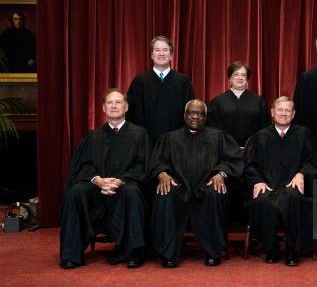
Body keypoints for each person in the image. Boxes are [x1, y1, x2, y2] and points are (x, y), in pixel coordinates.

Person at [59, 89, 152, 269]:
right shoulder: (93, 137)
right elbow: (82, 166)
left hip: (125, 185)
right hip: (96, 188)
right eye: (110, 103)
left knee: (133, 193)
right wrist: (98, 180)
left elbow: (143, 166)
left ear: (126, 107)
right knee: (75, 193)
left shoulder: (139, 134)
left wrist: (119, 181)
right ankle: (71, 254)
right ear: (103, 108)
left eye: (118, 102)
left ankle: (134, 251)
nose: (114, 106)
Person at [149, 99, 244, 268]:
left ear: (205, 116)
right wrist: (162, 173)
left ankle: (213, 251)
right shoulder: (170, 138)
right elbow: (157, 161)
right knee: (164, 194)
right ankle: (168, 253)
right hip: (177, 187)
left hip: (207, 186)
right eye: (191, 113)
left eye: (199, 113)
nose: (195, 116)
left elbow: (233, 160)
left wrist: (220, 174)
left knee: (216, 193)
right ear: (184, 115)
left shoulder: (218, 137)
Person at [245, 96, 317, 266]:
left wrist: (302, 174)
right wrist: (257, 180)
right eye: (280, 110)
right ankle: (271, 248)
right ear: (272, 112)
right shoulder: (260, 136)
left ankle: (292, 249)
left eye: (288, 110)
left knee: (292, 199)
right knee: (263, 201)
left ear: (293, 114)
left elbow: (312, 162)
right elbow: (250, 164)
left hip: (292, 187)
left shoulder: (303, 134)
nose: (283, 113)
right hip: (268, 186)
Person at [126, 35, 195, 143]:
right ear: (152, 55)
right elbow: (131, 114)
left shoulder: (183, 82)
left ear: (171, 55)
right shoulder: (139, 81)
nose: (161, 53)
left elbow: (191, 113)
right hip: (145, 143)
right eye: (157, 50)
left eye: (165, 50)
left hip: (177, 143)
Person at [207, 61, 269, 147]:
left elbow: (265, 127)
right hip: (225, 152)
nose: (240, 78)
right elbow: (212, 129)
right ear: (230, 78)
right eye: (236, 74)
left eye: (243, 75)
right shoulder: (217, 101)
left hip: (253, 150)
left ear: (247, 79)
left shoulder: (259, 101)